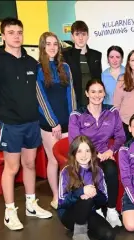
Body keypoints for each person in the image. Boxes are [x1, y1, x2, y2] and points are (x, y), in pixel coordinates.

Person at [0, 17, 52, 231]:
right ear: (3, 36)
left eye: (19, 32)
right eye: (11, 32)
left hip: (32, 122)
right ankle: (10, 211)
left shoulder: (31, 62)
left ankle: (31, 204)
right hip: (11, 124)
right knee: (12, 168)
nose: (16, 36)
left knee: (29, 164)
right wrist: (2, 118)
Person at [68, 78, 126, 228]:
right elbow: (75, 141)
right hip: (84, 156)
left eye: (100, 91)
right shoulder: (76, 114)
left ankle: (112, 210)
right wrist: (93, 154)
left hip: (105, 154)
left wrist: (111, 150)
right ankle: (98, 210)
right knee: (92, 170)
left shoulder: (112, 111)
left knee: (111, 169)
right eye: (93, 91)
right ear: (87, 93)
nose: (97, 95)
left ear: (104, 94)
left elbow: (121, 136)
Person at [36, 31, 77, 210]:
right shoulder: (38, 69)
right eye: (48, 44)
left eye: (55, 44)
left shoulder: (65, 68)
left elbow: (71, 94)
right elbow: (40, 98)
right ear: (43, 47)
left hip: (68, 122)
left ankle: (69, 192)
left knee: (70, 160)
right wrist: (53, 122)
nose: (52, 47)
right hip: (49, 124)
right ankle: (55, 195)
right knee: (53, 160)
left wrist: (74, 119)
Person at [58, 135, 116, 240]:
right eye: (79, 151)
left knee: (108, 236)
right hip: (68, 213)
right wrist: (81, 192)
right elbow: (62, 202)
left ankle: (84, 225)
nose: (84, 155)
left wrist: (96, 193)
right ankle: (79, 232)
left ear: (92, 152)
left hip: (89, 211)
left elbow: (104, 200)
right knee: (86, 199)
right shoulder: (66, 171)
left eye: (87, 151)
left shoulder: (98, 170)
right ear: (74, 153)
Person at [62, 20, 102, 107]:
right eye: (77, 34)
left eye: (83, 34)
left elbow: (99, 80)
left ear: (87, 36)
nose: (81, 38)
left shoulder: (97, 55)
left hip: (94, 102)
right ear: (72, 36)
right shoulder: (65, 56)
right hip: (74, 103)